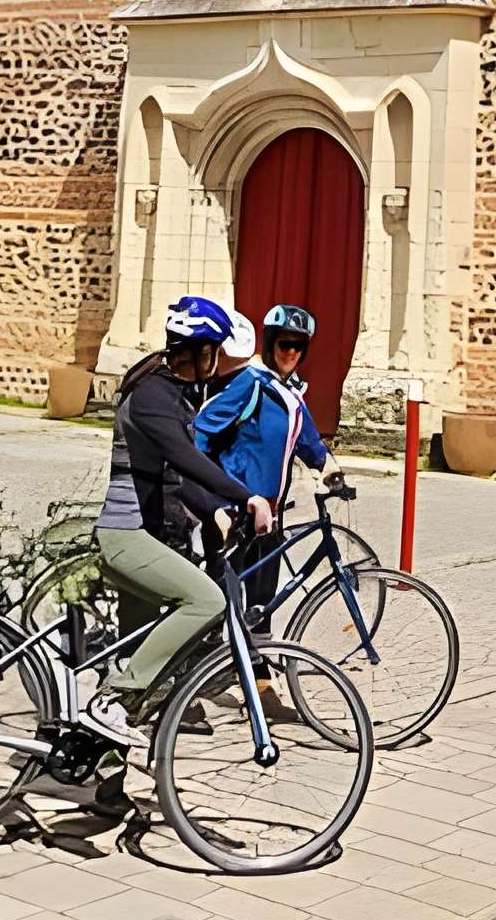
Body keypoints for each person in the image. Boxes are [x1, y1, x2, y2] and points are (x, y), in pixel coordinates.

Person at [88, 296, 273, 744]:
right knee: (207, 602)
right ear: (198, 351)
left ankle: (99, 778)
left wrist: (215, 509)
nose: (216, 363)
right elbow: (184, 457)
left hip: (148, 537)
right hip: (126, 536)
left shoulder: (171, 391)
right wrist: (246, 496)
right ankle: (112, 700)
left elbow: (172, 475)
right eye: (213, 352)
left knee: (139, 662)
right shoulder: (153, 394)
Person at [194, 300, 338, 625]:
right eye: (284, 343)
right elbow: (200, 432)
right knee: (226, 600)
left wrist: (331, 473)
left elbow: (309, 441)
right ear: (271, 342)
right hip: (238, 511)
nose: (291, 352)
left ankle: (256, 669)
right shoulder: (252, 383)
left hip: (270, 515)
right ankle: (216, 665)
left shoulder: (291, 394)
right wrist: (211, 498)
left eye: (299, 346)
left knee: (263, 601)